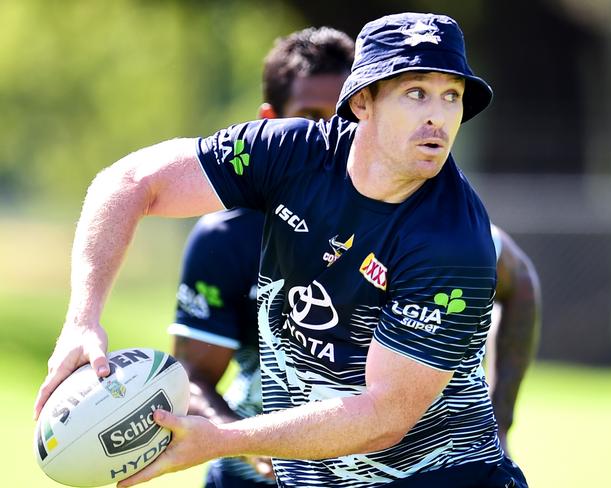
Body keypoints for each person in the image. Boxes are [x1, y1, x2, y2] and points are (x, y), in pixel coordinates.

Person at [35, 12, 530, 487]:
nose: (437, 118)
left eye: (451, 96)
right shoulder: (292, 153)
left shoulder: (452, 239)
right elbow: (129, 181)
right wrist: (83, 319)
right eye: (416, 93)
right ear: (363, 102)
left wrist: (221, 439)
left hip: (442, 478)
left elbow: (383, 416)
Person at [171, 27, 355, 488]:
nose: (330, 137)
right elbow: (190, 379)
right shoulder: (226, 236)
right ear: (269, 122)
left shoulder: (413, 219)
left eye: (347, 119)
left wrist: (500, 420)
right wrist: (247, 442)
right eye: (311, 118)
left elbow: (518, 282)